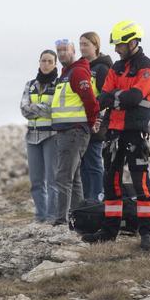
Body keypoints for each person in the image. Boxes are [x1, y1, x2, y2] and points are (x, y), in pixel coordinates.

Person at [81, 20, 150, 250]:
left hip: (135, 133)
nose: (116, 49)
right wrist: (119, 97)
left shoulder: (149, 68)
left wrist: (115, 97)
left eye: (120, 45)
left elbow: (134, 97)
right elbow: (102, 98)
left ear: (133, 42)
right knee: (110, 183)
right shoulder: (116, 67)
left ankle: (146, 234)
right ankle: (109, 232)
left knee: (141, 184)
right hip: (114, 132)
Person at [49, 39, 98, 224]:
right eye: (59, 50)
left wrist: (91, 123)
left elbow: (90, 100)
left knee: (63, 177)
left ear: (73, 51)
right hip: (67, 131)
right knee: (74, 177)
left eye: (65, 50)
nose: (62, 53)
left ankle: (61, 220)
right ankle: (79, 217)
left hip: (74, 131)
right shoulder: (66, 73)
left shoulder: (77, 72)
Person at [20, 49, 59, 222]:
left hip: (51, 136)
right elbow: (23, 109)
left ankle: (52, 216)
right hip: (32, 136)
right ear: (39, 62)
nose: (46, 64)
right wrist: (42, 108)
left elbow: (54, 110)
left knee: (52, 180)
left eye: (50, 61)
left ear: (55, 64)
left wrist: (34, 107)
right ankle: (40, 216)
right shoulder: (30, 85)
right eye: (43, 61)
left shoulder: (59, 85)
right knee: (36, 181)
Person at [78, 31, 113, 205]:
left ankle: (97, 199)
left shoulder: (102, 69)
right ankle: (86, 202)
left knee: (94, 164)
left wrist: (98, 119)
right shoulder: (81, 68)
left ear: (96, 46)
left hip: (96, 125)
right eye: (81, 44)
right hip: (80, 124)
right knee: (83, 166)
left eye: (86, 44)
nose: (82, 48)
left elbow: (106, 97)